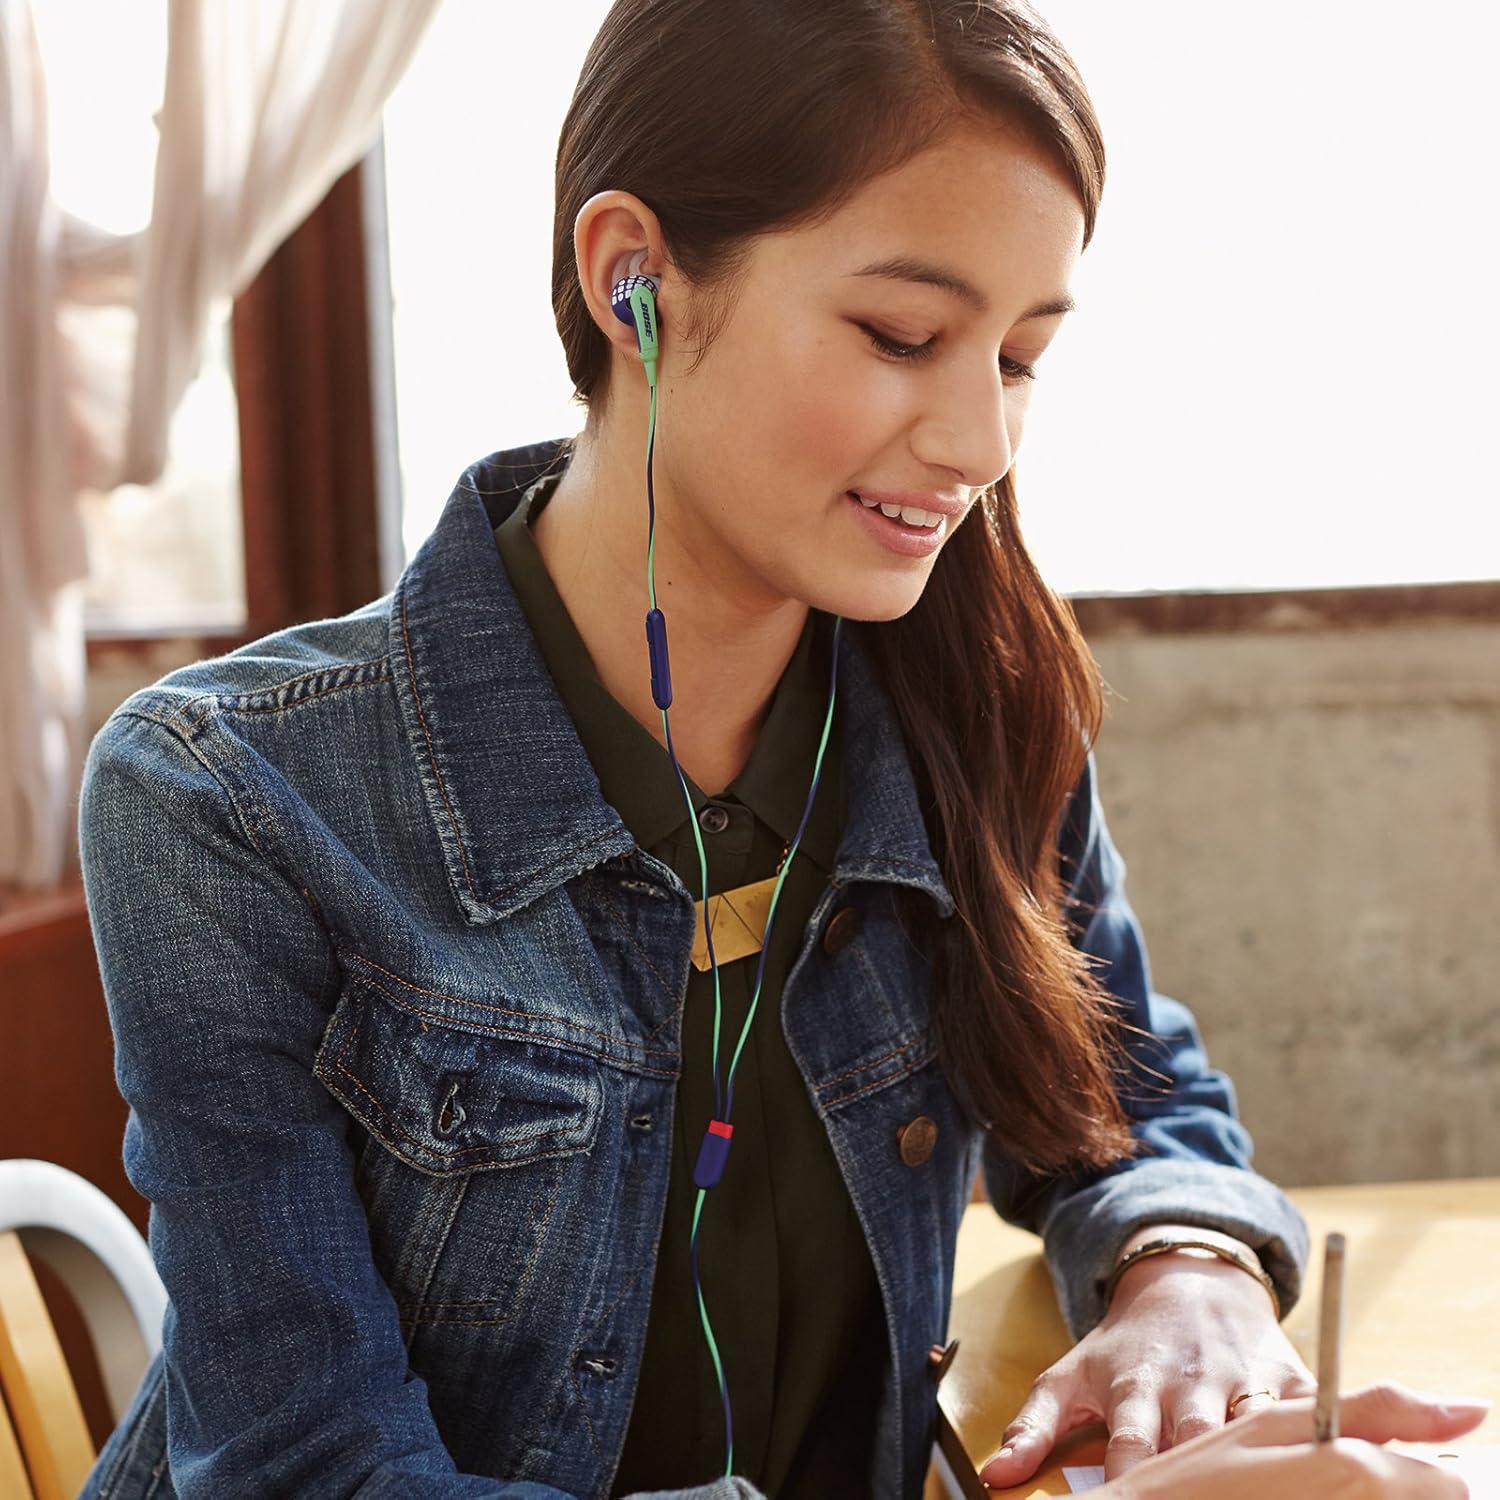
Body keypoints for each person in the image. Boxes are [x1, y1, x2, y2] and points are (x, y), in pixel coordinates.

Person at [76, 1, 1487, 1497]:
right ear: (635, 282)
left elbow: (1120, 1096)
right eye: (902, 335)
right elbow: (312, 1470)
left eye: (1015, 357)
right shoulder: (224, 798)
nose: (980, 444)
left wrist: (1186, 1266)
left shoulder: (970, 709)